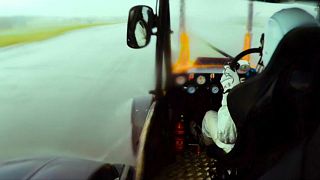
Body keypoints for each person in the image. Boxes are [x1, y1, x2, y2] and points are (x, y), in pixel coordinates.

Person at [201, 7, 318, 154]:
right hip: (292, 155)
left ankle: (205, 148)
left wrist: (229, 88)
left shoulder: (266, 91)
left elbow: (227, 135)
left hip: (250, 156)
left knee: (208, 117)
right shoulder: (308, 86)